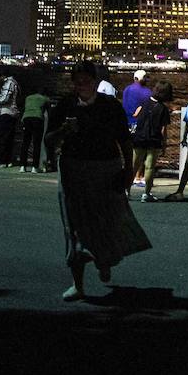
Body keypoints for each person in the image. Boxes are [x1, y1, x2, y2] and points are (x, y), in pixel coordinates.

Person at [46, 62, 150, 301]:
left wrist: (127, 170)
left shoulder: (110, 106)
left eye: (86, 80)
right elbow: (49, 140)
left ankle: (104, 259)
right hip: (73, 169)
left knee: (106, 221)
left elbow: (124, 140)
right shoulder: (65, 105)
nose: (81, 85)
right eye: (77, 81)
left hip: (106, 169)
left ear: (95, 81)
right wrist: (63, 130)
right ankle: (78, 283)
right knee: (72, 226)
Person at [131, 81, 174, 202]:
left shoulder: (144, 103)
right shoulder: (163, 109)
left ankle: (126, 191)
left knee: (134, 166)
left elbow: (137, 114)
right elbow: (163, 129)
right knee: (149, 167)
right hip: (154, 139)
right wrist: (164, 145)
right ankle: (146, 193)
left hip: (139, 137)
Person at [0, 72, 22, 168]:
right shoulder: (14, 83)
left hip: (6, 112)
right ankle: (7, 160)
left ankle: (1, 161)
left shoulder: (9, 83)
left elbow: (5, 99)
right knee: (8, 138)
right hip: (12, 113)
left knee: (2, 137)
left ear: (3, 75)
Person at [19, 85, 51, 173]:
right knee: (37, 143)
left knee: (25, 143)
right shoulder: (45, 99)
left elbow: (24, 108)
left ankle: (22, 166)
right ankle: (35, 167)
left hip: (26, 118)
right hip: (37, 118)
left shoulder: (28, 98)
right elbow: (48, 110)